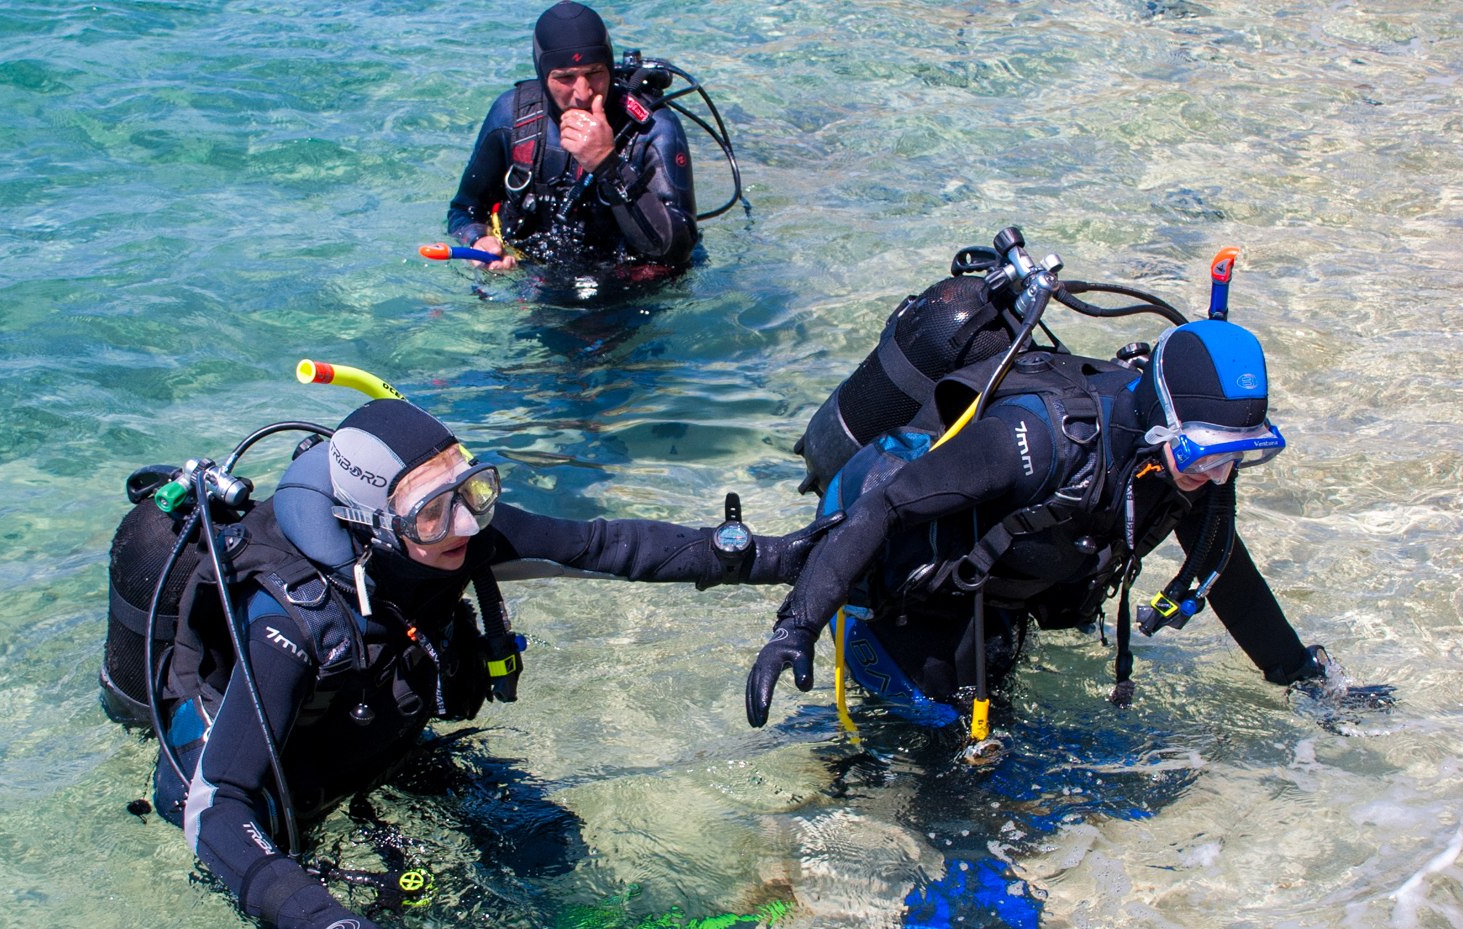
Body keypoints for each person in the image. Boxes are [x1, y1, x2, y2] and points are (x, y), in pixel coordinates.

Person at [116, 398, 831, 929]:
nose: (465, 523)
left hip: (374, 745)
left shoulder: (452, 534)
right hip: (266, 801)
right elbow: (216, 806)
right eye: (434, 511)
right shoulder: (289, 622)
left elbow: (604, 544)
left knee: (545, 845)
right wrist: (316, 915)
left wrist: (781, 556)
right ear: (372, 524)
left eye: (474, 490)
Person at [745, 313, 1361, 733]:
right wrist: (794, 627)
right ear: (1160, 422)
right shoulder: (1042, 441)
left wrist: (1302, 677)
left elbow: (1227, 575)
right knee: (930, 761)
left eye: (1242, 456)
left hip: (990, 609)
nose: (1220, 476)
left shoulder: (1176, 469)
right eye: (1207, 452)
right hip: (898, 608)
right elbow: (882, 507)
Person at [446, 1, 698, 272]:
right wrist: (477, 239)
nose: (583, 92)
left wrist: (608, 166)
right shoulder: (512, 119)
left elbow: (678, 251)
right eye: (565, 77)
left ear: (610, 66)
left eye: (594, 73)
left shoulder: (652, 128)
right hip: (531, 274)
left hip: (625, 287)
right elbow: (463, 210)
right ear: (543, 75)